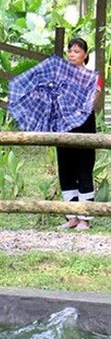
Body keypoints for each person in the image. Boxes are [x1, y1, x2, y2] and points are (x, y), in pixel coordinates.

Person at [58, 38, 103, 230]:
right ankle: (72, 217)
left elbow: (91, 102)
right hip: (63, 126)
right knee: (66, 170)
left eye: (76, 51)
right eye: (70, 51)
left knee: (84, 169)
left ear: (85, 55)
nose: (72, 54)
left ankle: (85, 218)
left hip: (84, 126)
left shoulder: (94, 77)